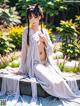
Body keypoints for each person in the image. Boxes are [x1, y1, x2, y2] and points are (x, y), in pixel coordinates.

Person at [14, 3, 80, 106]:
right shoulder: (26, 32)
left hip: (46, 63)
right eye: (30, 17)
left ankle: (70, 96)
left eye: (35, 17)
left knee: (60, 80)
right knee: (52, 82)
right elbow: (24, 51)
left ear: (40, 17)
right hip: (35, 65)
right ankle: (66, 96)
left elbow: (50, 49)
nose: (33, 20)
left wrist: (44, 40)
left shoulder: (44, 31)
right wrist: (22, 68)